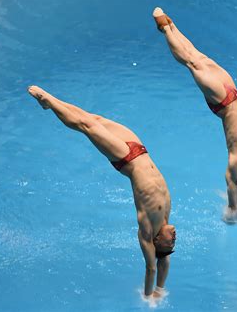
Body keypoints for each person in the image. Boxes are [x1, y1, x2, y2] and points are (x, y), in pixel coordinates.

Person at [27, 85, 176, 298]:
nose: (174, 239)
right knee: (93, 118)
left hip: (127, 159)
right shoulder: (164, 218)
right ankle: (49, 104)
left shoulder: (146, 229)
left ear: (157, 242)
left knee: (86, 125)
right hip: (140, 149)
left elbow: (152, 267)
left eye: (170, 243)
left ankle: (48, 99)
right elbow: (164, 262)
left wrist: (149, 296)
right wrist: (160, 289)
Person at [153, 8, 237, 213]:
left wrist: (233, 208)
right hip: (234, 94)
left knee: (192, 64)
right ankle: (172, 25)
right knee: (201, 57)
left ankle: (165, 29)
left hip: (222, 103)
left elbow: (229, 187)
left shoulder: (236, 168)